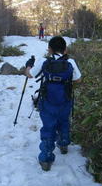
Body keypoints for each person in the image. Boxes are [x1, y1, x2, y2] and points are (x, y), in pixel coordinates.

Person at [25, 36, 81, 171]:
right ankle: (63, 144)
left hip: (48, 101)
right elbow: (78, 79)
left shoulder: (44, 61)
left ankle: (46, 158)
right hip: (65, 100)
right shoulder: (71, 62)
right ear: (65, 49)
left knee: (48, 127)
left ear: (49, 49)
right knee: (64, 122)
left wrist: (29, 65)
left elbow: (30, 75)